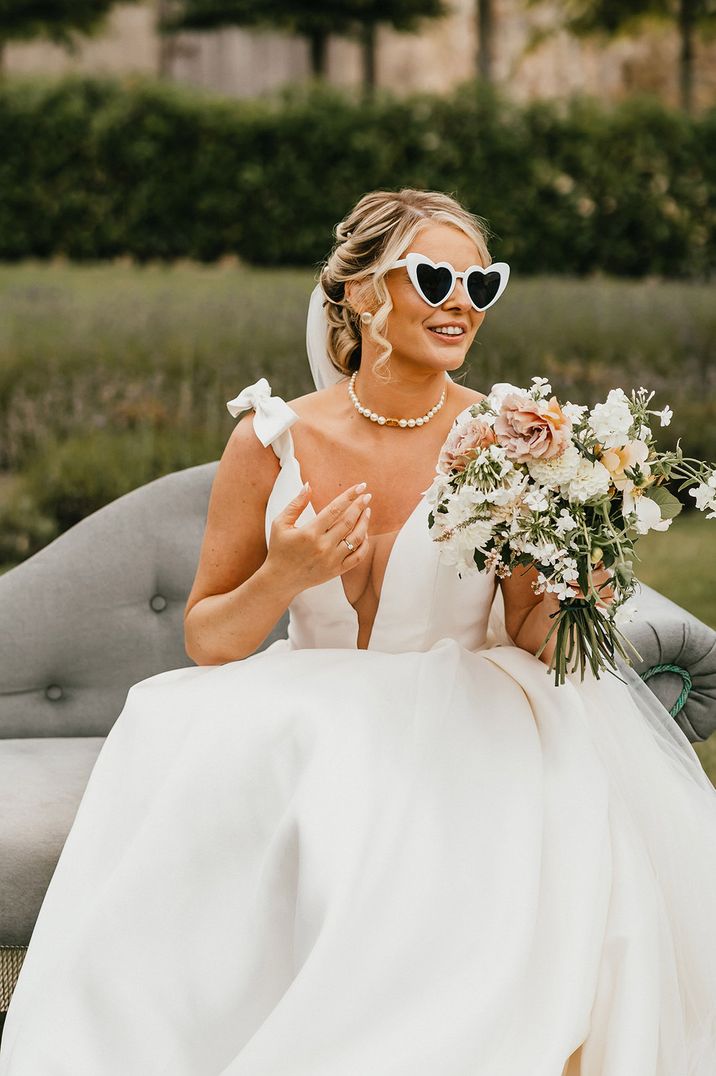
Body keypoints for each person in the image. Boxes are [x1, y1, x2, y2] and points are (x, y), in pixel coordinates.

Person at [1, 187, 715, 1076]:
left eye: (481, 284)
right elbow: (209, 638)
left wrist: (585, 586)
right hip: (312, 694)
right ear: (362, 294)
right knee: (302, 779)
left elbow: (534, 633)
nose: (461, 302)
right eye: (434, 277)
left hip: (474, 703)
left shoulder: (511, 439)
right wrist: (285, 575)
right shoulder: (270, 439)